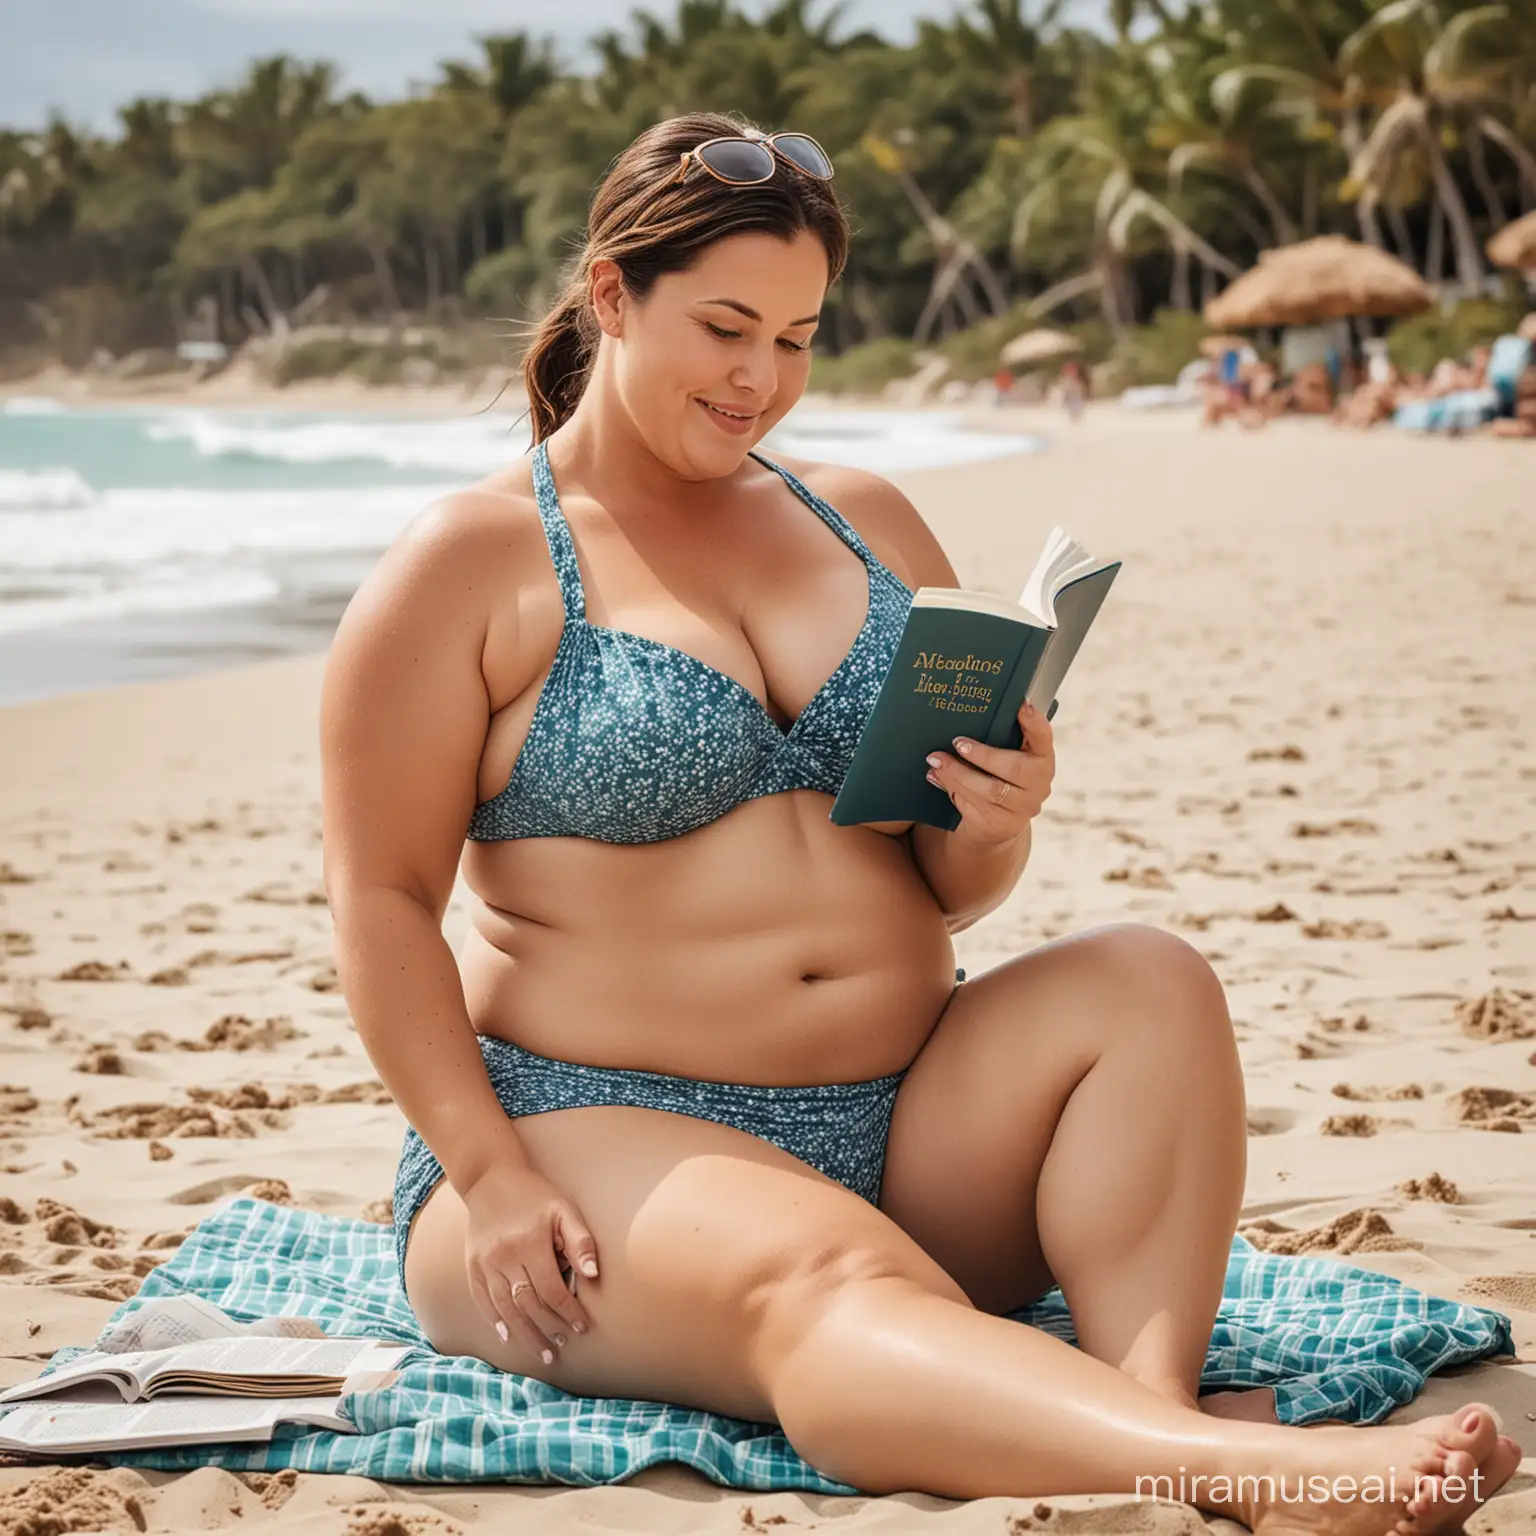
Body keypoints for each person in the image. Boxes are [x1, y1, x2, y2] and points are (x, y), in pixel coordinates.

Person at [319, 113, 1517, 1531]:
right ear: (608, 295)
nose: (763, 378)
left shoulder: (863, 521)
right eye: (725, 328)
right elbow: (383, 903)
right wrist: (488, 1170)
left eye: (801, 338)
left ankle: (1147, 1408)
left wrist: (999, 820)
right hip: (586, 1145)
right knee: (826, 1282)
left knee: (1152, 982)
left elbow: (941, 890)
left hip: (903, 1126)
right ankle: (1245, 1477)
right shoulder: (469, 565)